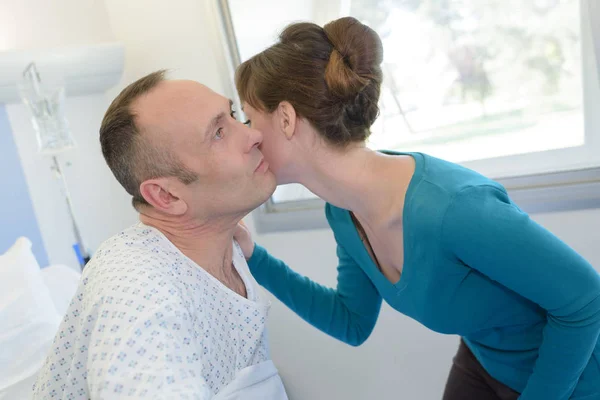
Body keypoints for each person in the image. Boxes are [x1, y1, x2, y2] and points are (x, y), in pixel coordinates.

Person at [232, 16, 600, 400]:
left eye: (248, 116)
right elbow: (351, 322)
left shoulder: (452, 208)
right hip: (484, 362)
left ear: (287, 119)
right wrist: (252, 255)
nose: (245, 135)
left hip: (569, 379)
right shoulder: (343, 212)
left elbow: (585, 301)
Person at [33, 70, 288, 399]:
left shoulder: (225, 243)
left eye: (234, 115)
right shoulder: (136, 288)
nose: (253, 136)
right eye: (219, 133)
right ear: (167, 197)